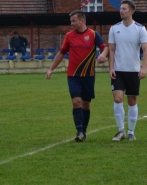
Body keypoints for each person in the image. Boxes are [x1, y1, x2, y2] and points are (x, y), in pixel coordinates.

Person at [46, 10, 108, 142]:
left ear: (82, 21)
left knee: (86, 104)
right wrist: (51, 69)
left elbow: (105, 47)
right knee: (76, 102)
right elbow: (61, 53)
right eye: (71, 21)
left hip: (88, 75)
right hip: (73, 75)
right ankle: (79, 131)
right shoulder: (69, 36)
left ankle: (83, 131)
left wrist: (103, 54)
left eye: (73, 21)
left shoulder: (93, 34)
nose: (71, 23)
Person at [108, 0, 147, 141]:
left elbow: (146, 49)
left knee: (132, 101)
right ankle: (120, 131)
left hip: (133, 71)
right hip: (118, 71)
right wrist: (111, 67)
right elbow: (112, 50)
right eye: (121, 8)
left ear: (131, 11)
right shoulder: (114, 29)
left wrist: (144, 67)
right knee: (117, 98)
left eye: (124, 9)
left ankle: (131, 132)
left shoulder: (140, 29)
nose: (121, 11)